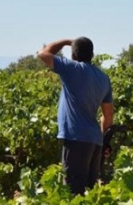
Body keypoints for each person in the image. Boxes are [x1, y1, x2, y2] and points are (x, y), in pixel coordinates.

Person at [37, 37, 114, 195]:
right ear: (92, 55)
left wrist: (66, 41)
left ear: (73, 55)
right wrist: (103, 141)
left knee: (73, 193)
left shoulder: (71, 68)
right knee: (89, 193)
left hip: (76, 139)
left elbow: (43, 54)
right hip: (95, 142)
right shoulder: (103, 78)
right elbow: (107, 117)